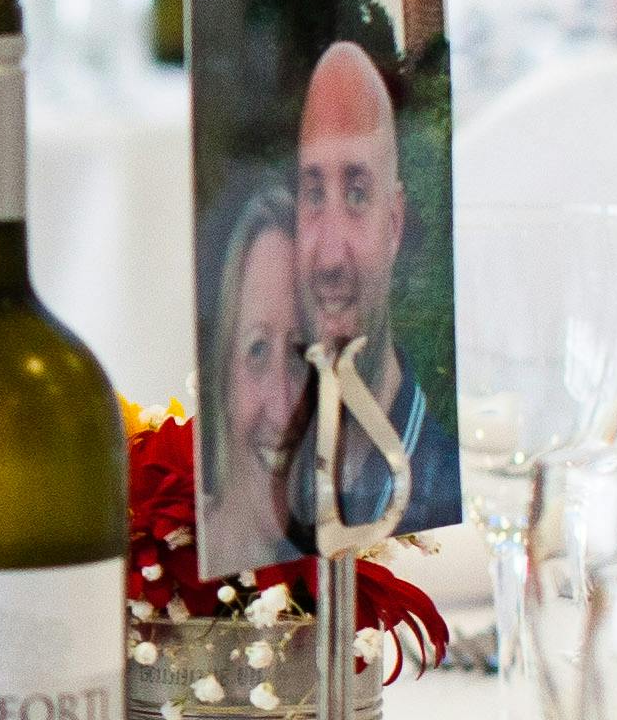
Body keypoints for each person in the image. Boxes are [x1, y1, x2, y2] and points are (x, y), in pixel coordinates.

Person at [283, 42, 460, 538]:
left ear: (396, 225)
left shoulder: (442, 483)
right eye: (314, 194)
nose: (331, 257)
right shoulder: (267, 479)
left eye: (357, 194)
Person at [196, 180, 308, 574]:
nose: (282, 407)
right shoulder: (173, 570)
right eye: (257, 351)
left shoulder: (332, 564)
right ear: (222, 378)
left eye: (299, 354)